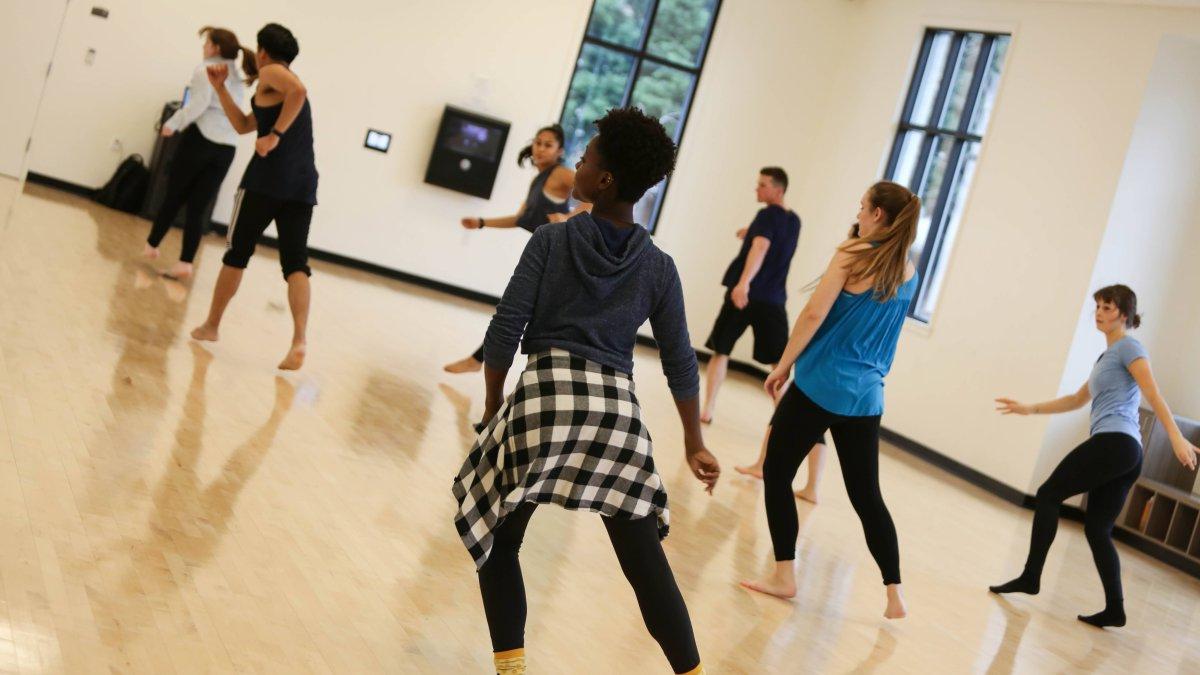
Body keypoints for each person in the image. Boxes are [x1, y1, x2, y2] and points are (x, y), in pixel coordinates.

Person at [452, 107, 719, 675]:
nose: (578, 159)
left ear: (604, 181)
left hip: (548, 398)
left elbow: (504, 331)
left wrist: (495, 404)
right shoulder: (660, 267)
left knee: (497, 536)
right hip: (616, 416)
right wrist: (694, 441)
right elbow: (679, 363)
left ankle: (513, 668)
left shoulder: (551, 241)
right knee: (645, 564)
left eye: (588, 156)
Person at [740, 181, 919, 622]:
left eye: (862, 206)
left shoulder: (852, 254)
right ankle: (894, 592)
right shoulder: (908, 270)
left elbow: (814, 313)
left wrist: (781, 366)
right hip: (867, 396)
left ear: (878, 214)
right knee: (867, 495)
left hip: (820, 383)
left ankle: (785, 575)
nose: (857, 212)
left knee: (778, 472)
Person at [990, 284, 1200, 628]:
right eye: (1098, 307)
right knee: (1098, 529)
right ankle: (1115, 609)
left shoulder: (1130, 347)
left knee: (1047, 494)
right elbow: (1076, 400)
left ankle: (1031, 577)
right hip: (1126, 451)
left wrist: (1176, 437)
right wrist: (1030, 409)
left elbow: (1154, 392)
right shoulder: (1107, 358)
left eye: (1107, 307)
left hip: (1116, 442)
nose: (1099, 313)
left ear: (1125, 313)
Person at [189, 23, 318, 371]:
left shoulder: (274, 72)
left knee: (236, 254)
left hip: (264, 182)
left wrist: (274, 135)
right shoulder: (270, 82)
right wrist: (221, 90)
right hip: (302, 185)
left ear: (263, 52)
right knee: (295, 263)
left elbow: (300, 92)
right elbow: (245, 125)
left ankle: (212, 325)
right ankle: (299, 341)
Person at [443, 124, 578, 374]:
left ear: (560, 151)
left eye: (548, 144)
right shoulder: (539, 180)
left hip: (562, 258)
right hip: (547, 256)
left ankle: (480, 363)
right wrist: (482, 223)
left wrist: (569, 217)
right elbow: (520, 219)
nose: (540, 148)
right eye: (538, 142)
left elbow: (598, 194)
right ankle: (479, 361)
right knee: (516, 313)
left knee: (515, 313)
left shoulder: (560, 174)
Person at [143, 26, 255, 280]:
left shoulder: (207, 69)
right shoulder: (236, 74)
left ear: (215, 47)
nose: (203, 48)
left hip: (201, 141)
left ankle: (152, 244)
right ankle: (185, 262)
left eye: (206, 43)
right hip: (226, 149)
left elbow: (197, 104)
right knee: (199, 206)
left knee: (174, 193)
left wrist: (172, 124)